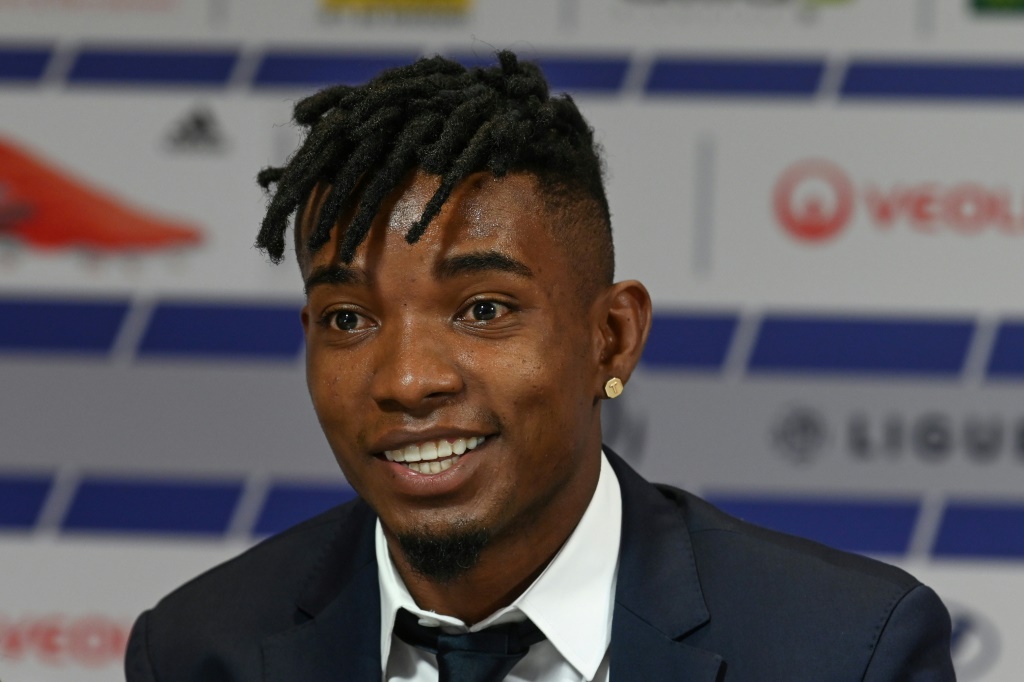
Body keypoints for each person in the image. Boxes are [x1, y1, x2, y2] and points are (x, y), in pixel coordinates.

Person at [124, 51, 955, 681]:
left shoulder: (844, 651)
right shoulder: (199, 652)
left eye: (483, 309)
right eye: (349, 319)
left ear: (612, 338)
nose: (407, 380)